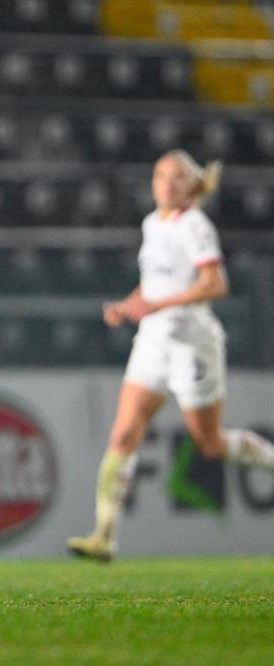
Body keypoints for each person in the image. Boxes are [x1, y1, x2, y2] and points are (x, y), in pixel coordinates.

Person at [67, 150, 274, 562]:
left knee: (211, 444)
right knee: (124, 434)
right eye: (160, 174)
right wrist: (128, 306)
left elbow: (215, 283)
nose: (166, 182)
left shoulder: (194, 226)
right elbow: (154, 285)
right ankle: (103, 536)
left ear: (192, 186)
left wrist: (159, 306)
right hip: (153, 342)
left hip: (192, 344)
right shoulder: (151, 223)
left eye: (177, 176)